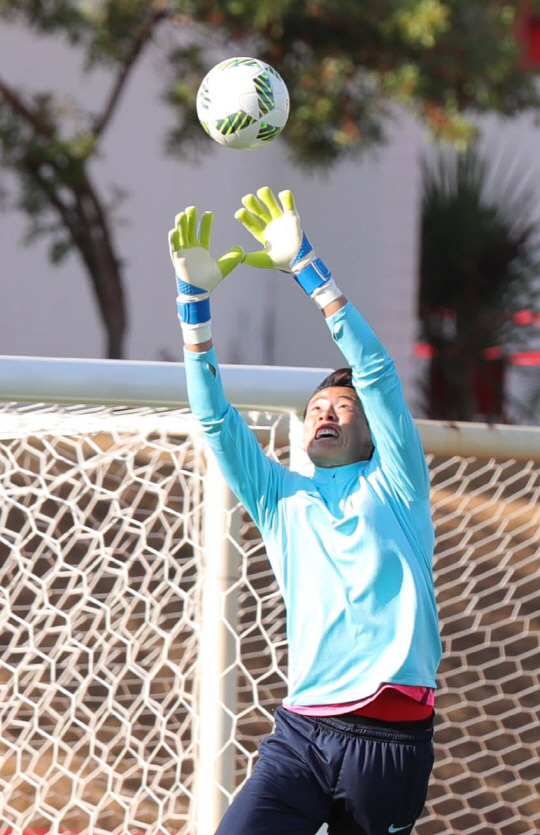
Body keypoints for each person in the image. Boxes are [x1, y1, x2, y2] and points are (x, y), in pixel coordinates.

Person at [169, 188, 442, 835]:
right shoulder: (280, 496)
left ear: (371, 429)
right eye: (316, 406)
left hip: (389, 738)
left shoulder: (396, 483)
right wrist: (193, 304)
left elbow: (374, 369)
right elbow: (213, 416)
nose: (324, 409)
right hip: (302, 731)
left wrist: (309, 269)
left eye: (340, 406)